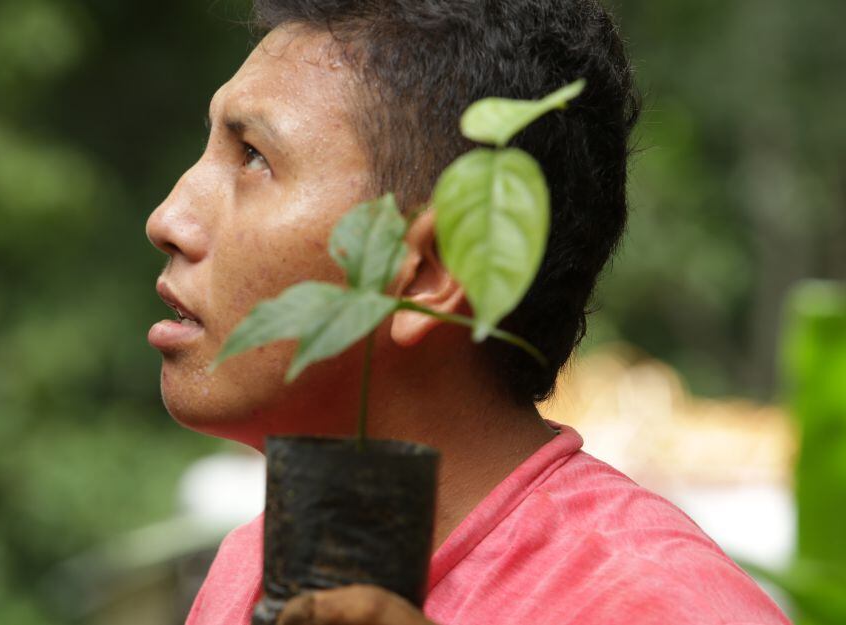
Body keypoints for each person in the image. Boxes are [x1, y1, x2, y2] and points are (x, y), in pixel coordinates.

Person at [145, 1, 792, 624]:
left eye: (254, 157)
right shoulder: (250, 566)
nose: (168, 220)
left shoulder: (659, 607)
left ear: (428, 272)